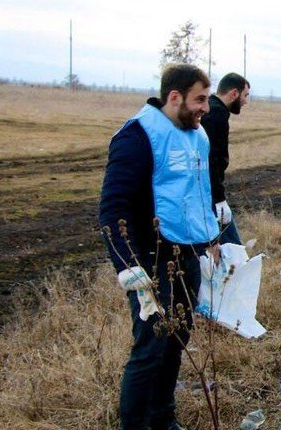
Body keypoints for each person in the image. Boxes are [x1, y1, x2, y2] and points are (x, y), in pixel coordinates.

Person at [99, 63, 220, 430]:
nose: (205, 108)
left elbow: (197, 192)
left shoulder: (197, 135)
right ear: (174, 97)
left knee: (177, 342)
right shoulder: (137, 137)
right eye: (199, 99)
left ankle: (163, 419)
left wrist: (212, 239)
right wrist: (128, 266)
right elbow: (112, 207)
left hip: (185, 255)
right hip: (150, 262)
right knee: (150, 349)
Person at [201, 72, 251, 245]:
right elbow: (211, 160)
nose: (246, 101)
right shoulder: (216, 115)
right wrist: (219, 199)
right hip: (208, 194)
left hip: (205, 192)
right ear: (234, 94)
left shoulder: (214, 110)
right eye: (245, 95)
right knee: (233, 247)